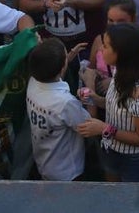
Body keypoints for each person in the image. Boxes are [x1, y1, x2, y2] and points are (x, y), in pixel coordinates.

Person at [78, 22, 139, 181]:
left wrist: (104, 128)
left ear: (122, 53)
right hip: (112, 148)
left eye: (106, 46)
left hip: (136, 159)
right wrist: (94, 97)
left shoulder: (138, 93)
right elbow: (115, 106)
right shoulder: (118, 72)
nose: (101, 49)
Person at [25, 37, 91, 181]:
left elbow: (49, 70)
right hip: (68, 172)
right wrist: (90, 88)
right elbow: (88, 126)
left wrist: (67, 58)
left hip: (45, 164)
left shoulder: (33, 82)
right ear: (62, 68)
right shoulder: (65, 103)